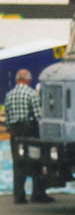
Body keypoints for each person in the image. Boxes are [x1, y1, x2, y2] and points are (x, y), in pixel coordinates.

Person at [5, 69, 53, 204]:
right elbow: (38, 116)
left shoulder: (9, 95)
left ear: (16, 79)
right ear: (27, 80)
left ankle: (19, 196)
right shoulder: (31, 94)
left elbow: (7, 118)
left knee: (18, 162)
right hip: (29, 130)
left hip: (15, 132)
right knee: (36, 160)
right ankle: (38, 194)